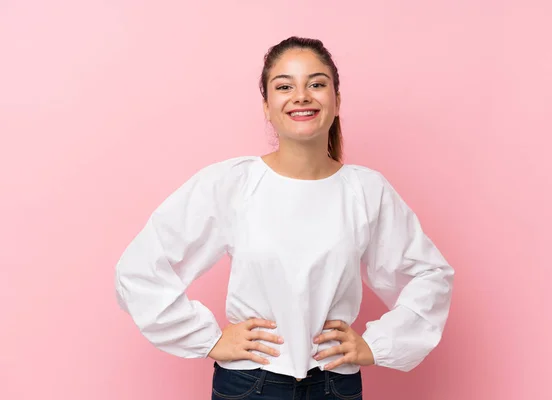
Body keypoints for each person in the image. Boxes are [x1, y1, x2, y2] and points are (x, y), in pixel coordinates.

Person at [114, 36, 455, 400]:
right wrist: (208, 338)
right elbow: (141, 267)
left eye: (317, 84)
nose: (302, 95)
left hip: (334, 384)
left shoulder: (366, 190)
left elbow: (430, 274)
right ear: (267, 105)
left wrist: (378, 344)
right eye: (285, 86)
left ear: (336, 100)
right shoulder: (232, 184)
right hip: (249, 385)